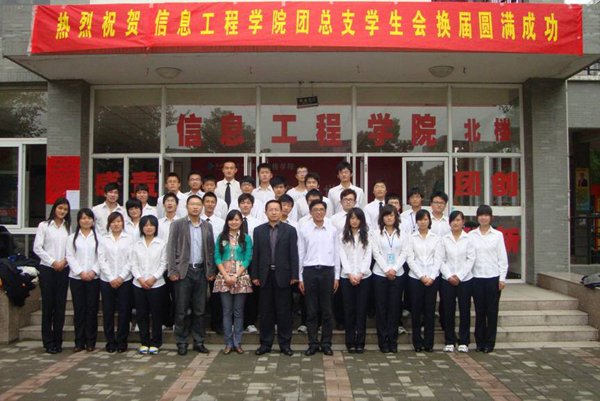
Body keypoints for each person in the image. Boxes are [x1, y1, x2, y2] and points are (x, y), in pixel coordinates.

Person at [167, 195, 216, 356]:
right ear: (187, 206)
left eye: (198, 204)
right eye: (192, 204)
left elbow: (210, 250)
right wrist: (173, 270)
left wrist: (210, 271)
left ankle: (198, 341)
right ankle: (181, 342)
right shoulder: (178, 224)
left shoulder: (207, 226)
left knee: (200, 310)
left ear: (202, 207)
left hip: (201, 272)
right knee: (181, 310)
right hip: (184, 272)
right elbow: (171, 248)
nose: (195, 207)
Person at [251, 200, 299, 356]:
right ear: (265, 212)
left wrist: (294, 275)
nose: (273, 212)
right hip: (265, 275)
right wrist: (255, 275)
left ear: (281, 211)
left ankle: (285, 344)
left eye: (276, 209)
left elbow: (293, 254)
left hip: (283, 275)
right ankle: (265, 344)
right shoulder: (258, 230)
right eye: (270, 209)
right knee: (266, 312)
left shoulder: (290, 230)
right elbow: (256, 254)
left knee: (284, 312)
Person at [298, 200, 340, 356]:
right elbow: (301, 253)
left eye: (321, 209)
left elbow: (336, 253)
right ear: (310, 212)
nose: (318, 212)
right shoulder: (304, 230)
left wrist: (336, 276)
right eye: (315, 210)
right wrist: (300, 277)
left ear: (325, 211)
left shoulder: (332, 230)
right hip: (309, 272)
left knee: (327, 310)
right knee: (311, 310)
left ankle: (326, 343)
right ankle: (313, 343)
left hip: (327, 271)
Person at [34, 197, 71, 354]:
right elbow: (37, 248)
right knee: (48, 306)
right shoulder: (44, 226)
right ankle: (48, 341)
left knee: (60, 306)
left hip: (63, 269)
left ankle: (58, 340)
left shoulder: (67, 227)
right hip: (48, 269)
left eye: (65, 209)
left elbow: (71, 249)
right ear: (54, 208)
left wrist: (64, 261)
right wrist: (53, 262)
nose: (62, 211)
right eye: (60, 208)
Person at [469, 205, 509, 354]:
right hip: (476, 277)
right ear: (477, 217)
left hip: (493, 277)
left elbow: (502, 258)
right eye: (481, 215)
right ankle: (479, 342)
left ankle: (490, 343)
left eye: (486, 215)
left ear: (491, 217)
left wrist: (502, 278)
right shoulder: (471, 235)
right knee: (479, 312)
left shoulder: (497, 235)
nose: (483, 218)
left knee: (492, 312)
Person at [213, 210, 253, 355]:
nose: (234, 222)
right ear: (227, 221)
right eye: (231, 219)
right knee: (226, 311)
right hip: (223, 277)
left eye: (237, 219)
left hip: (240, 277)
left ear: (241, 222)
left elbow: (248, 258)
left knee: (238, 312)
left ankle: (237, 342)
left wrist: (236, 275)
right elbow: (217, 257)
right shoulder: (221, 237)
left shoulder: (246, 238)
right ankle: (228, 343)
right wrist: (225, 275)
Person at [371, 205, 409, 354]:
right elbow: (376, 253)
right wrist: (387, 269)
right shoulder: (376, 233)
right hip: (380, 274)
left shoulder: (403, 234)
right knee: (381, 308)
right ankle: (382, 341)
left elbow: (404, 253)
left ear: (396, 217)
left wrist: (394, 269)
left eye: (392, 215)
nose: (389, 218)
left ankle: (393, 340)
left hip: (398, 274)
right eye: (386, 215)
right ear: (382, 218)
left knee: (394, 308)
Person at [440, 211, 475, 353]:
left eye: (458, 220)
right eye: (453, 220)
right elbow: (441, 259)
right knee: (448, 311)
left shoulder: (469, 239)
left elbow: (470, 259)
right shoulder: (444, 239)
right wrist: (449, 275)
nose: (455, 223)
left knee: (464, 310)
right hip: (447, 280)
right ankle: (449, 340)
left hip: (465, 280)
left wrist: (459, 276)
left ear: (463, 222)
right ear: (449, 223)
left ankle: (464, 341)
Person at [131, 215, 167, 355]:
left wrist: (153, 278)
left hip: (157, 284)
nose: (149, 227)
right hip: (139, 284)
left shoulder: (161, 244)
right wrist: (140, 279)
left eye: (151, 225)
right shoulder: (136, 244)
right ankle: (144, 342)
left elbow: (163, 263)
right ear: (142, 227)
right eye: (145, 225)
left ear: (156, 227)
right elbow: (133, 264)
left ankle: (156, 342)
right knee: (142, 314)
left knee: (157, 314)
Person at [407, 209, 442, 352]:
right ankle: (417, 342)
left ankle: (429, 343)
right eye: (420, 219)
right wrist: (421, 276)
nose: (423, 222)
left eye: (425, 219)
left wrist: (431, 277)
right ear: (416, 221)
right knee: (416, 311)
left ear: (429, 221)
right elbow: (410, 259)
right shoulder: (411, 238)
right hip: (416, 278)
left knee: (429, 311)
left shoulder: (436, 238)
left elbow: (438, 259)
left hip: (432, 279)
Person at [66, 208, 101, 353]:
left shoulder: (99, 237)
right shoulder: (72, 238)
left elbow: (101, 257)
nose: (86, 221)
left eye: (89, 218)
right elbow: (70, 256)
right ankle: (79, 341)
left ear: (93, 220)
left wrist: (93, 271)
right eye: (83, 218)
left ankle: (91, 341)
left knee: (92, 310)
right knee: (79, 310)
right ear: (78, 220)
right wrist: (80, 272)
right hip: (77, 278)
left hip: (94, 278)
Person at [98, 211, 133, 353]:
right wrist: (111, 277)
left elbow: (131, 259)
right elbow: (101, 259)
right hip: (107, 280)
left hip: (125, 280)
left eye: (119, 221)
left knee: (124, 311)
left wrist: (121, 277)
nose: (116, 224)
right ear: (109, 224)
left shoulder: (129, 239)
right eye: (113, 222)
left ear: (123, 223)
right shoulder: (104, 239)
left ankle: (122, 341)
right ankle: (110, 341)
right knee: (108, 311)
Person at [339, 208, 372, 354]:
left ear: (361, 220)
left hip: (363, 277)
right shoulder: (342, 236)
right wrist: (350, 274)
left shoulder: (367, 236)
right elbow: (342, 256)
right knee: (349, 310)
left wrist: (360, 273)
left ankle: (360, 342)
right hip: (347, 277)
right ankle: (350, 342)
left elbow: (368, 256)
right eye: (352, 218)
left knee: (361, 310)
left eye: (357, 218)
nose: (354, 221)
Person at [202, 191, 226, 334]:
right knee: (198, 294)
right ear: (203, 203)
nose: (210, 204)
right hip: (199, 262)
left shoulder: (221, 223)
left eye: (212, 202)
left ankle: (216, 323)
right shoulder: (197, 221)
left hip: (216, 262)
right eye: (207, 202)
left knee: (216, 294)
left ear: (216, 204)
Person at [157, 192, 181, 330]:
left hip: (177, 265)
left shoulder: (182, 222)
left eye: (172, 201)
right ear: (163, 204)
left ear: (177, 205)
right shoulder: (158, 223)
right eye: (167, 201)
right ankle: (165, 321)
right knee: (163, 295)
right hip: (161, 264)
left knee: (177, 295)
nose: (170, 203)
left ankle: (177, 322)